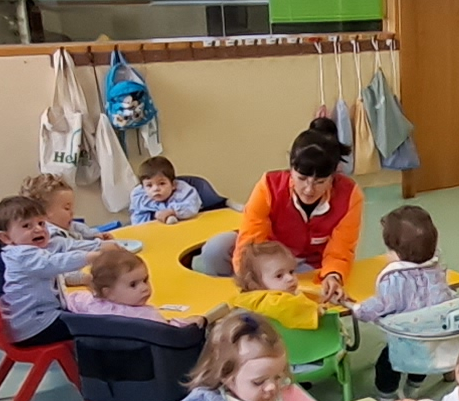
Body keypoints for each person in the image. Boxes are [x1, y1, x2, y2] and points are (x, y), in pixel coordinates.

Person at [197, 120, 359, 307]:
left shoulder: (350, 195)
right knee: (215, 249)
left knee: (298, 292)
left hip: (311, 262)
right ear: (291, 169)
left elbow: (341, 249)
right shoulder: (268, 186)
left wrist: (333, 275)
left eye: (320, 182)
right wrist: (251, 281)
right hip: (268, 253)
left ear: (334, 176)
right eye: (302, 178)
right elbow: (251, 239)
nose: (308, 189)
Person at [166, 311, 317, 401]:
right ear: (227, 376)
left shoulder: (283, 388)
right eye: (258, 382)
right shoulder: (209, 399)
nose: (272, 387)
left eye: (278, 376)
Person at [355, 205, 458, 396]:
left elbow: (382, 305)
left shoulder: (395, 278)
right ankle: (414, 388)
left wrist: (358, 309)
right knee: (421, 362)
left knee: (386, 366)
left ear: (395, 252)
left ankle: (387, 396)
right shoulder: (436, 267)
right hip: (433, 335)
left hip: (406, 337)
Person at [0, 195, 97, 346]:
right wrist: (90, 257)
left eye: (41, 223)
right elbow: (52, 264)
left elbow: (55, 270)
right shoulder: (22, 255)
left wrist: (83, 275)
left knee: (87, 313)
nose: (38, 229)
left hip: (27, 322)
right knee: (96, 325)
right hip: (35, 326)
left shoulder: (23, 252)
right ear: (6, 237)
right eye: (27, 226)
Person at [64, 246, 191, 323]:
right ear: (109, 293)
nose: (144, 288)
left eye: (145, 280)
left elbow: (70, 300)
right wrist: (192, 322)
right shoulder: (147, 317)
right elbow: (172, 334)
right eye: (133, 285)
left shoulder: (87, 304)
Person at [230, 241, 323, 330]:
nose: (290, 278)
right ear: (255, 284)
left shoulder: (279, 291)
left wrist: (323, 297)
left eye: (291, 271)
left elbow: (302, 295)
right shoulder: (268, 301)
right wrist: (318, 311)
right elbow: (287, 307)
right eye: (279, 276)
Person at [20, 173, 102, 240]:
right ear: (44, 213)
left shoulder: (67, 225)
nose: (72, 212)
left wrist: (95, 235)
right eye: (67, 208)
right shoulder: (50, 235)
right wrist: (98, 244)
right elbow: (74, 247)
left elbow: (78, 227)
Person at [129, 155, 203, 226]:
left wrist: (173, 211)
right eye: (149, 185)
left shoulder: (183, 191)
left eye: (162, 183)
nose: (155, 189)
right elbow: (137, 224)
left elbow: (192, 206)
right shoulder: (140, 197)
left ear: (173, 184)